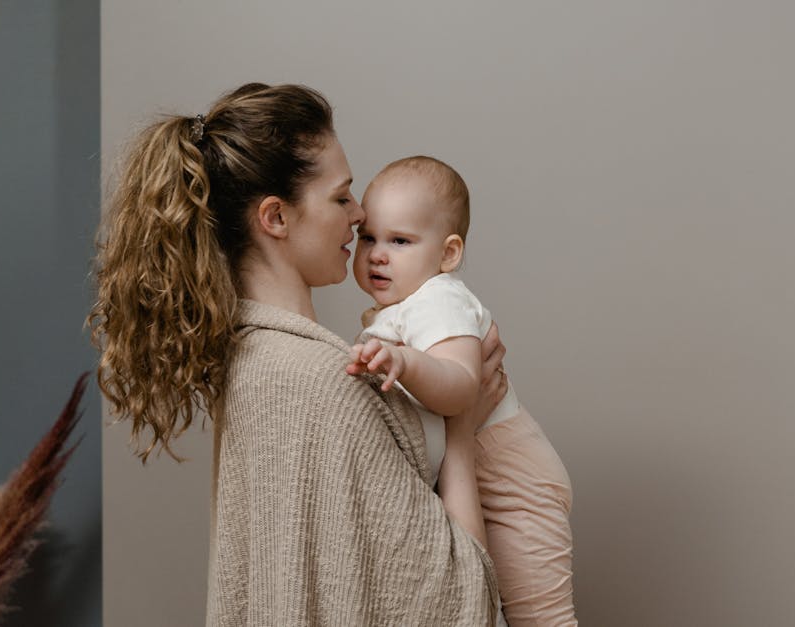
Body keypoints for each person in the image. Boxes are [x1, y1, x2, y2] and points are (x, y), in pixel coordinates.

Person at [87, 83, 505, 626]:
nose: (359, 215)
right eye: (340, 196)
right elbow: (463, 603)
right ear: (276, 218)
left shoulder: (254, 362)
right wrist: (462, 435)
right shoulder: (324, 382)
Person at [345, 156, 576, 626]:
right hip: (478, 476)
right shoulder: (400, 309)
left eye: (400, 240)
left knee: (541, 619)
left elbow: (460, 391)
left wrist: (406, 362)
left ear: (448, 254)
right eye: (368, 237)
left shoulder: (438, 298)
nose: (376, 254)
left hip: (514, 485)